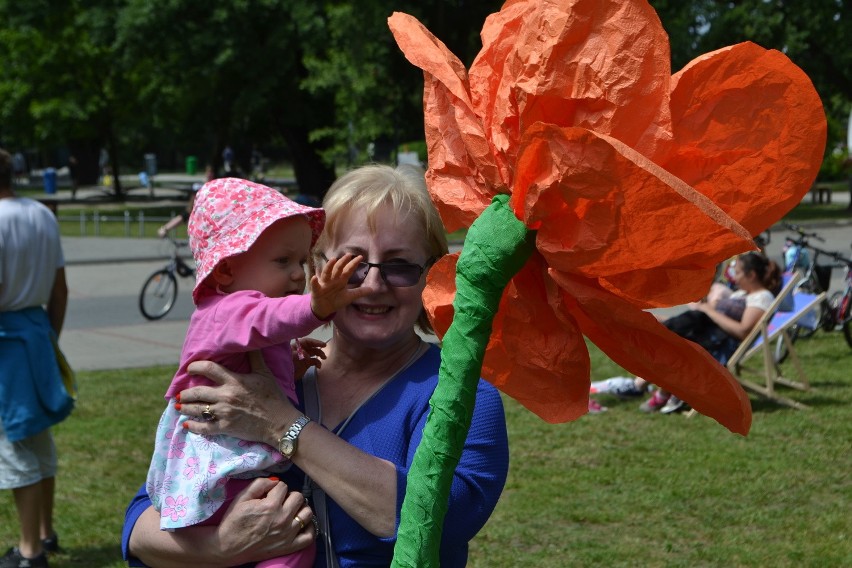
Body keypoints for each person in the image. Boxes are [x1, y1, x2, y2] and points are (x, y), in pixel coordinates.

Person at [122, 164, 510, 567]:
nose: (373, 284)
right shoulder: (261, 374)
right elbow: (142, 521)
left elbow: (442, 519)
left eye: (399, 266)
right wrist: (219, 545)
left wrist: (281, 424)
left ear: (429, 276)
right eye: (351, 264)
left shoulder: (460, 394)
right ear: (315, 269)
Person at [145, 178, 374, 568]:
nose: (297, 275)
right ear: (225, 271)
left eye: (302, 262)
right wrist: (316, 306)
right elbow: (269, 318)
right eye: (282, 261)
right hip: (219, 467)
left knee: (283, 535)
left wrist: (292, 365)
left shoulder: (237, 320)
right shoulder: (226, 309)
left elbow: (262, 344)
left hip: (227, 464)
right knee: (291, 537)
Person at [0, 148, 73, 568]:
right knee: (38, 436)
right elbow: (59, 288)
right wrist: (50, 338)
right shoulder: (40, 213)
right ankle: (45, 533)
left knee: (14, 442)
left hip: (7, 341)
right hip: (37, 332)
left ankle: (29, 553)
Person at [638, 251, 781, 413]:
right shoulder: (742, 294)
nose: (734, 277)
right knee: (669, 329)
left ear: (752, 275)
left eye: (738, 272)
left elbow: (743, 332)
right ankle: (664, 388)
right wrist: (705, 308)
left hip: (720, 344)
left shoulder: (762, 297)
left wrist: (710, 312)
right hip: (708, 333)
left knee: (674, 341)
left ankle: (666, 391)